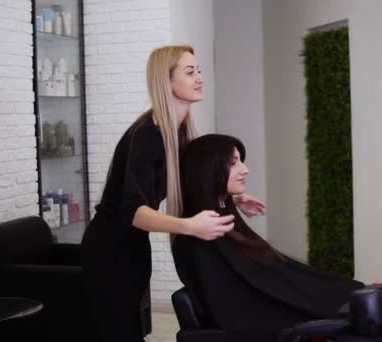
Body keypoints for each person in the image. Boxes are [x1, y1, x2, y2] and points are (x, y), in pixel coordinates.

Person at [81, 45, 266, 342]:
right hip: (109, 248)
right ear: (166, 82)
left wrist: (234, 198)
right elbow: (133, 210)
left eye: (199, 70)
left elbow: (188, 181)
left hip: (133, 246)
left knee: (132, 330)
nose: (200, 78)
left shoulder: (177, 132)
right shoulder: (149, 135)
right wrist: (189, 225)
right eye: (190, 72)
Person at [173, 134, 365, 342]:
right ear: (208, 170)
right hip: (251, 319)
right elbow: (233, 301)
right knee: (351, 305)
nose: (245, 170)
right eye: (233, 163)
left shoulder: (221, 213)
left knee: (352, 293)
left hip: (259, 308)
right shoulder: (202, 231)